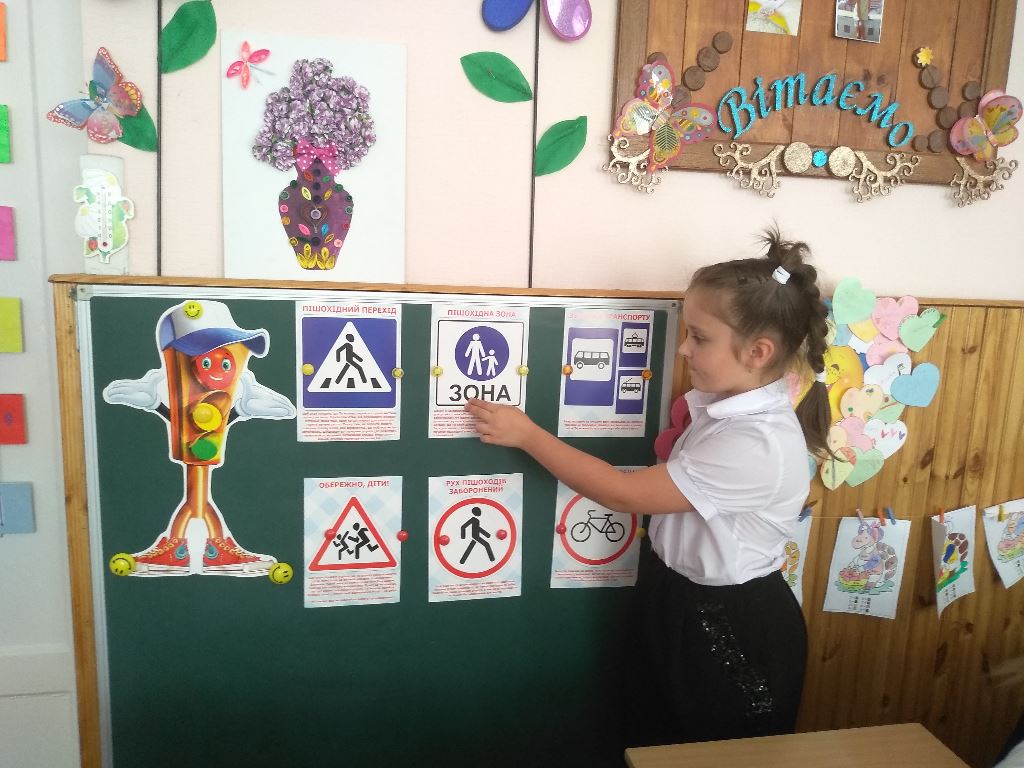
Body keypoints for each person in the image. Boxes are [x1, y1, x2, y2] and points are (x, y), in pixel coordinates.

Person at [465, 228, 831, 746]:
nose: (683, 348)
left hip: (729, 626)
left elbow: (624, 494)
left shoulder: (757, 443)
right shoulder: (724, 409)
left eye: (699, 337)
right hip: (674, 596)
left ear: (758, 351)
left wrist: (527, 435)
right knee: (650, 739)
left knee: (709, 750)